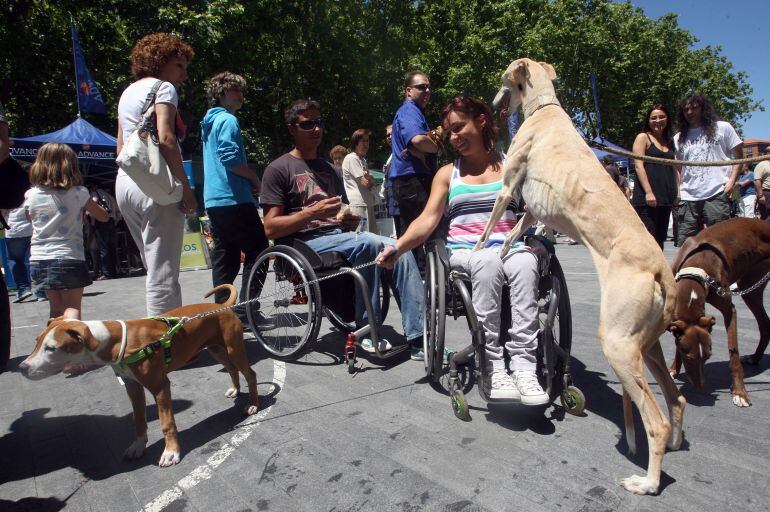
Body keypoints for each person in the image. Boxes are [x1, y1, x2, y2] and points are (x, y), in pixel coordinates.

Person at [377, 96, 548, 404]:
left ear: (481, 121)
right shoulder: (447, 174)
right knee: (486, 261)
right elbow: (427, 220)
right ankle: (492, 363)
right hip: (466, 253)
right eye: (449, 132)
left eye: (458, 128)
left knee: (526, 262)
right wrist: (397, 248)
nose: (453, 137)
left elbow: (540, 202)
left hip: (509, 247)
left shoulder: (512, 164)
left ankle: (524, 366)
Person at [260, 99, 424, 358]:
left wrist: (348, 219)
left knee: (399, 247)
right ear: (292, 128)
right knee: (368, 243)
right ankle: (367, 329)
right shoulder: (278, 169)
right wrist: (312, 212)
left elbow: (341, 213)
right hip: (303, 243)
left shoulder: (330, 170)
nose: (316, 129)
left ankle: (419, 337)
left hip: (339, 236)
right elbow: (270, 228)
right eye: (308, 124)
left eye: (319, 123)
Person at [116, 33, 197, 315]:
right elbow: (166, 139)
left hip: (126, 182)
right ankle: (165, 337)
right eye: (179, 65)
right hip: (156, 184)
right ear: (160, 61)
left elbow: (120, 146)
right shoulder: (164, 88)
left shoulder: (127, 93)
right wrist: (185, 189)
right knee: (163, 272)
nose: (184, 74)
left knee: (153, 266)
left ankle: (161, 330)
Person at [201, 71, 269, 316]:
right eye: (235, 90)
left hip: (214, 200)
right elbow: (229, 158)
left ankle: (222, 314)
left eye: (242, 91)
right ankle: (247, 309)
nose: (241, 95)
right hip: (234, 197)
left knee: (225, 256)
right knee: (259, 249)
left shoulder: (208, 122)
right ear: (221, 93)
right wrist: (254, 177)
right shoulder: (228, 120)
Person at [25, 143, 109, 320]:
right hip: (69, 256)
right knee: (72, 307)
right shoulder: (79, 193)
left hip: (40, 258)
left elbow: (29, 218)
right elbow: (103, 217)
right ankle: (74, 338)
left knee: (55, 309)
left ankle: (54, 338)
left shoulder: (31, 195)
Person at [673, 93, 742, 246]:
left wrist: (731, 182)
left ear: (703, 108)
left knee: (720, 242)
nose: (689, 112)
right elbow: (677, 167)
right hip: (688, 196)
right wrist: (678, 191)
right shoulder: (678, 137)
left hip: (716, 193)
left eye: (694, 108)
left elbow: (739, 158)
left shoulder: (723, 127)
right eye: (685, 109)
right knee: (687, 245)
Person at [390, 70, 441, 238]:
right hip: (413, 180)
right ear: (409, 90)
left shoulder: (413, 111)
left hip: (411, 180)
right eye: (421, 87)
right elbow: (418, 140)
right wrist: (438, 148)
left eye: (429, 87)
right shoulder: (409, 110)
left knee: (415, 238)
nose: (427, 91)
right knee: (426, 236)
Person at [631, 104, 678, 248]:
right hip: (647, 199)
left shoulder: (670, 141)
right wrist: (649, 192)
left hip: (665, 198)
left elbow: (674, 168)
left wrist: (677, 192)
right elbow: (638, 166)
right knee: (648, 241)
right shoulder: (643, 137)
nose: (658, 121)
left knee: (660, 239)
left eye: (662, 117)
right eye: (654, 118)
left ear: (667, 119)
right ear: (648, 120)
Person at [342, 129, 379, 234]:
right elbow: (366, 183)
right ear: (356, 143)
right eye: (363, 141)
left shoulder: (362, 160)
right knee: (363, 238)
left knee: (372, 238)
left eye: (367, 141)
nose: (366, 144)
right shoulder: (352, 158)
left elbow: (370, 182)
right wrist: (372, 181)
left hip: (366, 204)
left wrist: (371, 181)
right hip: (359, 206)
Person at [87, 183, 120, 279]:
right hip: (111, 221)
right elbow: (118, 211)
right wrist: (115, 221)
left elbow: (92, 210)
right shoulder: (109, 196)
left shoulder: (94, 194)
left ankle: (106, 273)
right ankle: (115, 270)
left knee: (103, 247)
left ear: (94, 186)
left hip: (101, 222)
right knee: (112, 247)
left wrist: (93, 224)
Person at [5, 206, 36, 302]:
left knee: (15, 261)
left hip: (14, 230)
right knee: (36, 258)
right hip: (32, 228)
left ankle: (24, 288)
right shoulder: (28, 195)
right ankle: (41, 291)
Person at [381, 124, 402, 237]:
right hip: (393, 206)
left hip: (403, 206)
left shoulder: (404, 152)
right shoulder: (391, 156)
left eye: (391, 134)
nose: (389, 137)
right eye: (387, 135)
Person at [755, 146, 770, 220]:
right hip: (767, 193)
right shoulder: (761, 165)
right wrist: (760, 195)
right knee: (767, 217)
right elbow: (757, 180)